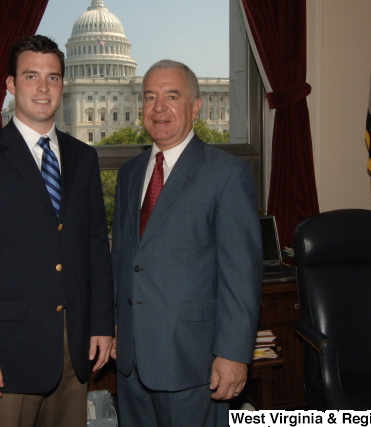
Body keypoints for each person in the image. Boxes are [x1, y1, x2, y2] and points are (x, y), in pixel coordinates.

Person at [0, 35, 114, 427]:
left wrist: (103, 324)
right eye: (31, 76)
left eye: (52, 78)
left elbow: (95, 249)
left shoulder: (83, 157)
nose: (42, 88)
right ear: (10, 84)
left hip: (74, 349)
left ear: (63, 86)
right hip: (5, 355)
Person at [111, 59, 262, 427]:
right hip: (131, 362)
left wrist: (233, 354)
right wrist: (116, 326)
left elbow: (240, 274)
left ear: (195, 107)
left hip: (193, 361)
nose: (158, 107)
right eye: (149, 97)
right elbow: (124, 260)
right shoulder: (130, 174)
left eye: (171, 96)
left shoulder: (227, 173)